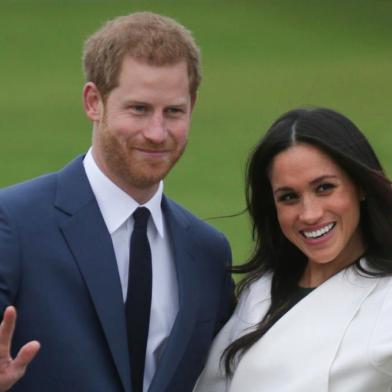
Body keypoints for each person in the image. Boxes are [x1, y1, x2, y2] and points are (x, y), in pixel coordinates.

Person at [0, 12, 234, 392]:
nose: (157, 133)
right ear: (94, 102)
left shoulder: (208, 252)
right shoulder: (13, 222)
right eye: (139, 109)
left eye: (173, 111)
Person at [194, 107, 392, 391]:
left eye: (324, 188)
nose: (309, 214)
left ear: (360, 186)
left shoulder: (386, 302)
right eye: (289, 197)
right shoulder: (259, 292)